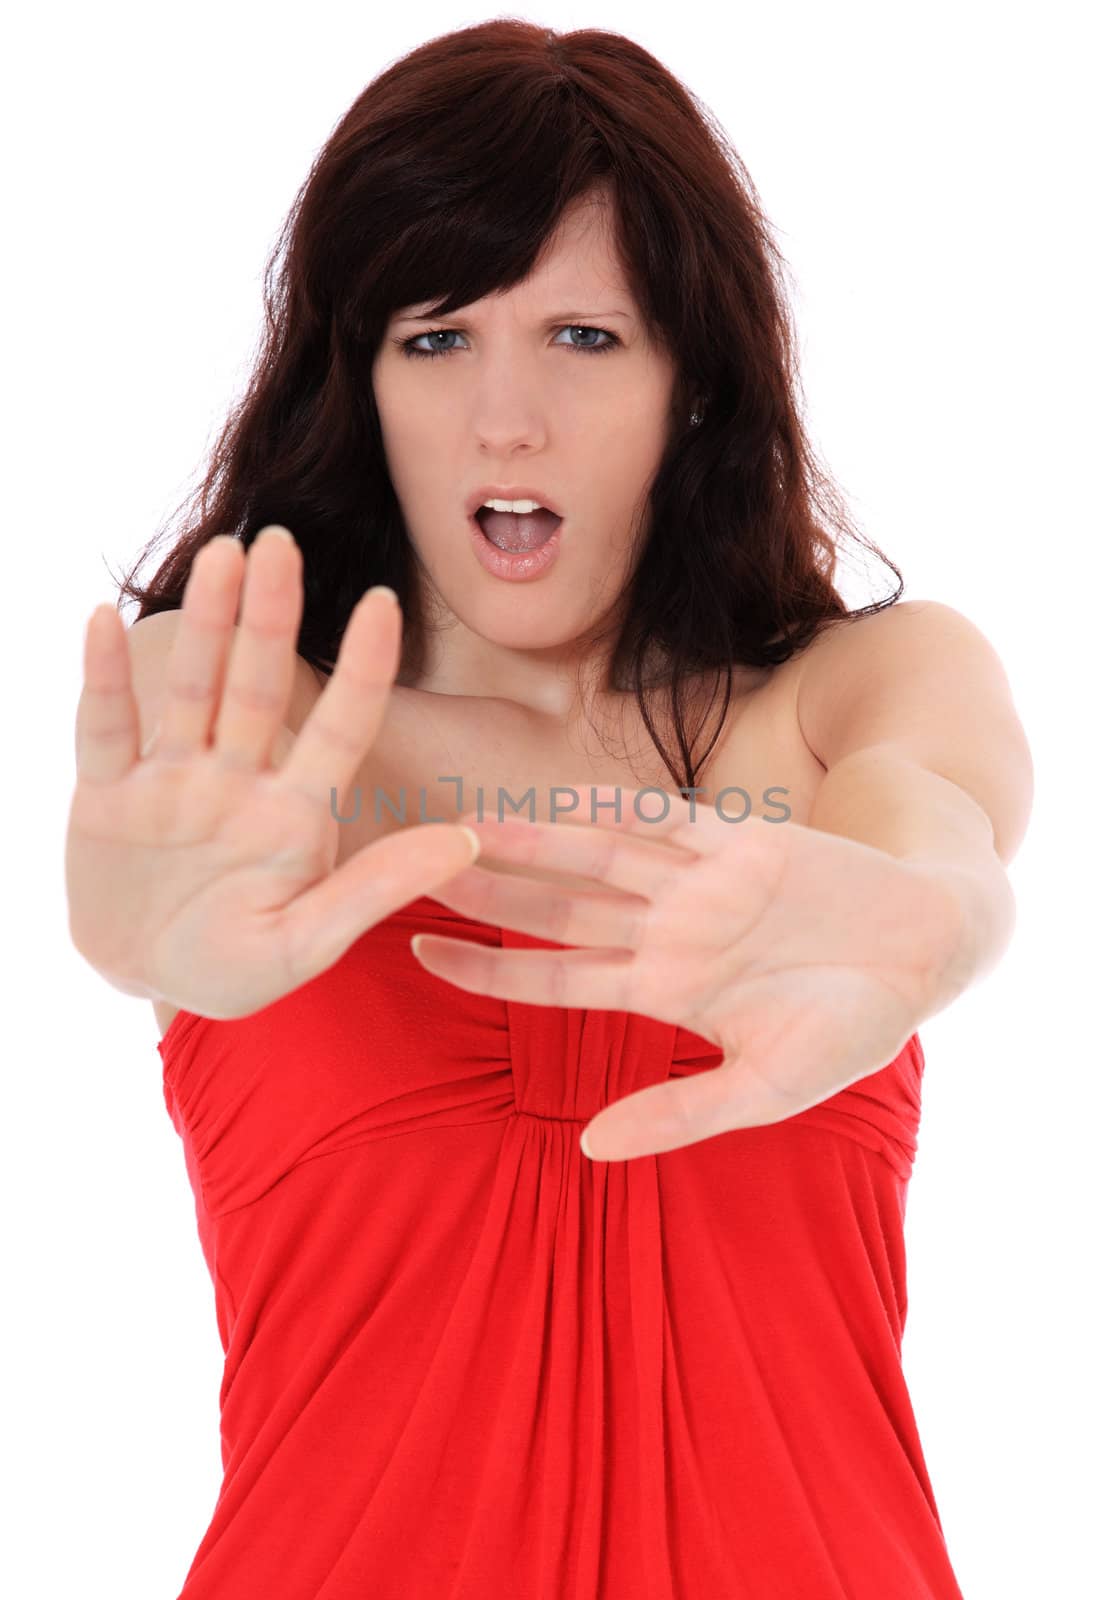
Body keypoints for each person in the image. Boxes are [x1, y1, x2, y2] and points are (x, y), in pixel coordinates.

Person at [65, 19, 1033, 1599]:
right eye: (434, 338)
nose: (504, 419)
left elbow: (937, 818)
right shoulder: (253, 707)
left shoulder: (856, 687)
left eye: (583, 337)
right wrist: (126, 945)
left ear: (691, 386)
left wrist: (938, 920)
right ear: (354, 381)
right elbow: (158, 831)